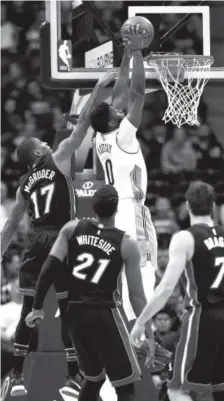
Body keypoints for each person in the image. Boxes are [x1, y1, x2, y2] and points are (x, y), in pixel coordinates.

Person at [1, 71, 117, 398]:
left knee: (28, 310)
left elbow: (11, 226)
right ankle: (72, 378)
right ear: (38, 154)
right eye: (40, 143)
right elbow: (83, 127)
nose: (45, 143)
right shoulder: (60, 156)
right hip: (62, 241)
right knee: (69, 310)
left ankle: (15, 375)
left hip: (36, 243)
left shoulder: (23, 185)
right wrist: (97, 87)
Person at [25, 185, 154, 401]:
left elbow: (49, 268)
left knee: (94, 379)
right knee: (125, 386)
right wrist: (148, 333)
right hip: (105, 314)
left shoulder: (71, 229)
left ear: (93, 208)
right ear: (116, 210)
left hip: (74, 315)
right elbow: (137, 295)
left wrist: (37, 307)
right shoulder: (126, 243)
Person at [131, 181, 224, 401]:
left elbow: (165, 288)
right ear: (212, 206)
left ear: (187, 206)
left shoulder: (185, 238)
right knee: (220, 388)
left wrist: (142, 321)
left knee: (176, 390)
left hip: (202, 318)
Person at [91, 24, 158, 324]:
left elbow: (118, 98)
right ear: (110, 122)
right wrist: (139, 54)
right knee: (144, 268)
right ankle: (141, 331)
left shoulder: (100, 137)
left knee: (123, 271)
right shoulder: (123, 136)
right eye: (115, 114)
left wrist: (125, 57)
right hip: (130, 209)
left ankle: (127, 327)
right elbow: (138, 93)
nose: (120, 111)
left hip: (114, 213)